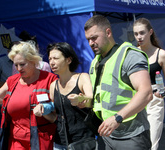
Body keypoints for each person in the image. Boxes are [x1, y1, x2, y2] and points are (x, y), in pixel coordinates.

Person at [0, 41, 58, 150]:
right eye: (16, 64)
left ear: (33, 61)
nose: (18, 69)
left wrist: (49, 107)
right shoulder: (12, 80)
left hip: (42, 140)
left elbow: (60, 108)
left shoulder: (50, 79)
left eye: (22, 64)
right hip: (15, 141)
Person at [84, 14, 153, 150]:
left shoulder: (129, 55)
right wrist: (84, 101)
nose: (91, 43)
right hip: (106, 134)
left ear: (108, 32)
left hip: (132, 135)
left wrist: (117, 118)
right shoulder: (95, 62)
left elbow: (146, 93)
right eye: (88, 39)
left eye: (94, 38)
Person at [34, 42, 96, 150]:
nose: (52, 62)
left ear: (69, 60)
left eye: (56, 58)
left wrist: (81, 99)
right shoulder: (53, 86)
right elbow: (54, 118)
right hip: (60, 143)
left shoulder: (82, 78)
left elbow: (92, 100)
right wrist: (43, 110)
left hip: (83, 142)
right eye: (50, 59)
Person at [133, 18, 165, 150]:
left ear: (150, 32)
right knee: (138, 141)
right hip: (136, 99)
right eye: (136, 34)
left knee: (152, 142)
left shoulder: (161, 54)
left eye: (142, 33)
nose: (139, 37)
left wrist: (161, 92)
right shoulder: (133, 53)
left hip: (154, 100)